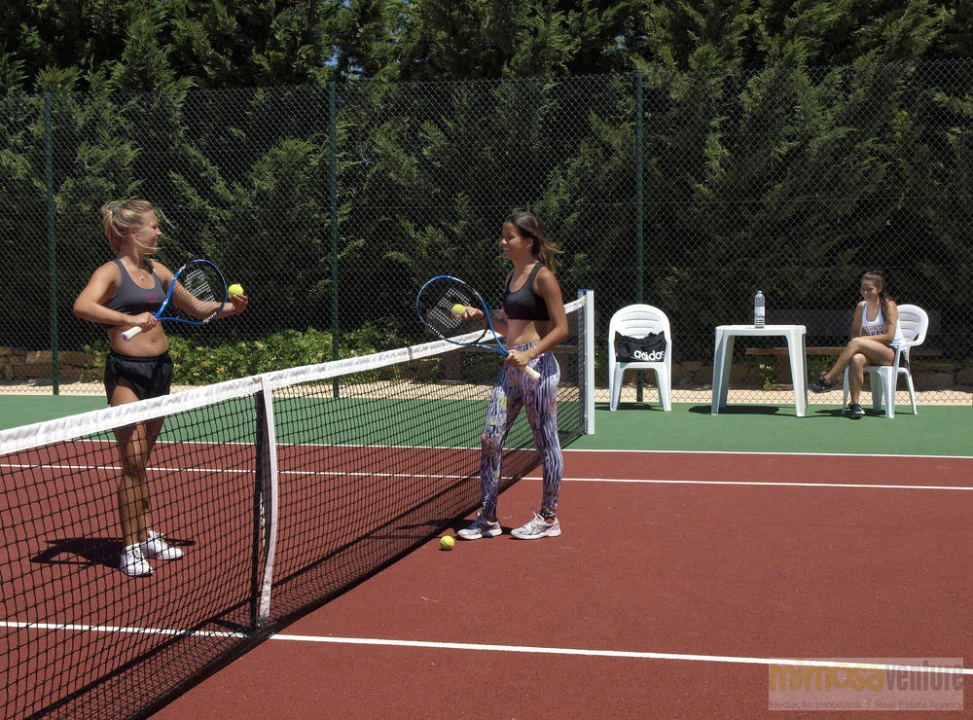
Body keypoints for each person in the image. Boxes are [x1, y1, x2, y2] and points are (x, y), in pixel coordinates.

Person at [73, 198, 248, 576]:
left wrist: (232, 307)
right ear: (132, 232)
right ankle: (130, 548)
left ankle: (145, 534)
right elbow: (83, 306)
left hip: (160, 372)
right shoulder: (111, 272)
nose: (159, 232)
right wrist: (128, 318)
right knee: (132, 461)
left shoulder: (159, 270)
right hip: (127, 373)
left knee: (142, 461)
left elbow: (198, 308)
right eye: (153, 226)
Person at [456, 211, 569, 541]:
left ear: (528, 241)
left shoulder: (543, 276)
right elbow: (508, 327)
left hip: (539, 369)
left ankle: (548, 518)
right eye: (503, 236)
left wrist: (530, 354)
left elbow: (562, 329)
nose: (503, 242)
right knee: (490, 438)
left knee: (546, 443)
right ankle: (488, 517)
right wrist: (482, 317)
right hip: (511, 369)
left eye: (510, 237)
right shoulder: (510, 277)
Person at [808, 270, 903, 418]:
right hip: (871, 351)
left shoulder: (889, 305)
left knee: (856, 342)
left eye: (869, 289)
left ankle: (828, 379)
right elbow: (854, 333)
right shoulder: (861, 307)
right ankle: (855, 405)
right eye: (863, 288)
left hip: (893, 354)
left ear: (879, 288)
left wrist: (863, 341)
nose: (865, 292)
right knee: (856, 359)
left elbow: (889, 337)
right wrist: (861, 343)